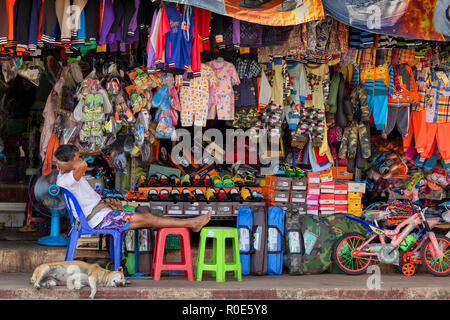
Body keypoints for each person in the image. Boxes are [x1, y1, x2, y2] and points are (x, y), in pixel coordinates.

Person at [54, 144, 211, 233]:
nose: (80, 159)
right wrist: (63, 164)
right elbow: (82, 165)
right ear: (68, 162)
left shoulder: (68, 177)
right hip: (100, 221)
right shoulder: (66, 179)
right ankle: (191, 223)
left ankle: (191, 223)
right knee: (148, 218)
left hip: (103, 215)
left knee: (145, 213)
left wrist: (107, 203)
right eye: (77, 157)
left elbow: (80, 166)